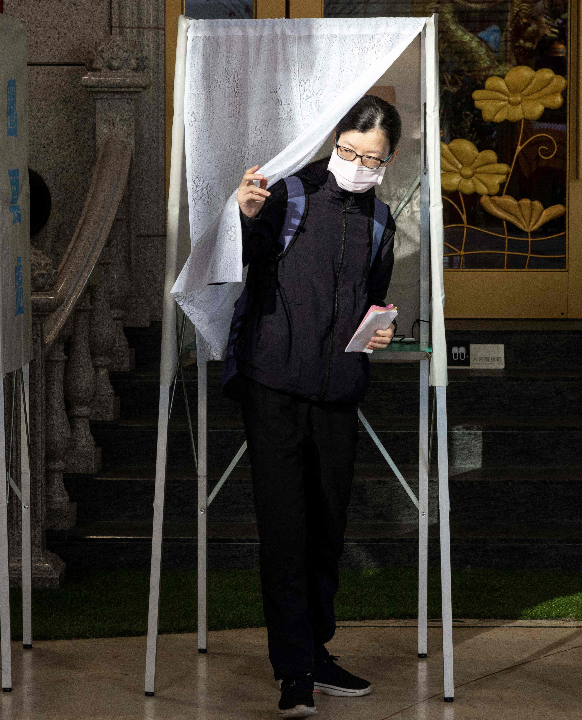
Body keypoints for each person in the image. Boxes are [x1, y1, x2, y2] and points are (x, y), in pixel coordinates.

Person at [224, 94, 400, 718]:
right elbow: (241, 257)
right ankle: (293, 669)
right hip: (273, 384)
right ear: (333, 142)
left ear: (388, 162)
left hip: (337, 392)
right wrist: (245, 215)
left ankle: (315, 651)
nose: (357, 164)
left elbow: (372, 300)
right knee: (284, 530)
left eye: (371, 159)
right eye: (350, 151)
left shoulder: (381, 222)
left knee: (326, 529)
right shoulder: (290, 196)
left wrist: (377, 332)